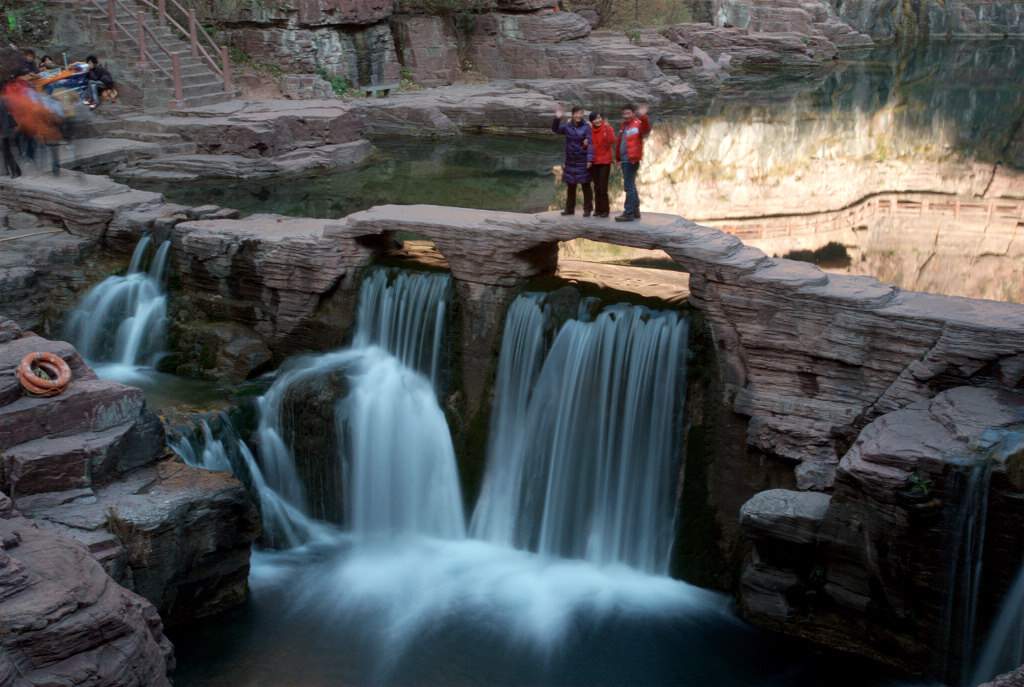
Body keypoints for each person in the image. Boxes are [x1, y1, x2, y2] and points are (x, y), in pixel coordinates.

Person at [551, 105, 594, 216]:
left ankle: (587, 209)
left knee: (585, 186)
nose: (579, 116)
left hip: (582, 160)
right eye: (577, 113)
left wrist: (589, 160)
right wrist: (557, 118)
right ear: (573, 114)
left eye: (581, 114)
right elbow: (555, 129)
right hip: (570, 161)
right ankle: (569, 209)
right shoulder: (567, 127)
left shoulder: (586, 127)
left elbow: (590, 143)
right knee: (571, 186)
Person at [614, 103, 651, 222]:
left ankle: (628, 213)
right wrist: (618, 158)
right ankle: (635, 211)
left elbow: (646, 129)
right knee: (632, 186)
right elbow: (621, 143)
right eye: (624, 113)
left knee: (629, 187)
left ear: (633, 113)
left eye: (628, 113)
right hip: (625, 160)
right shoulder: (624, 126)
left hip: (631, 160)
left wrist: (643, 116)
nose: (626, 115)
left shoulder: (637, 124)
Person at [587, 111, 616, 218]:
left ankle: (605, 210)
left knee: (603, 187)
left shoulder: (607, 128)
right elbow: (587, 144)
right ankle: (598, 209)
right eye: (595, 119)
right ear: (591, 121)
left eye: (599, 118)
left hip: (605, 161)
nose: (597, 120)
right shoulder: (590, 131)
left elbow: (612, 140)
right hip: (594, 162)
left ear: (602, 118)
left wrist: (607, 129)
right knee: (596, 187)